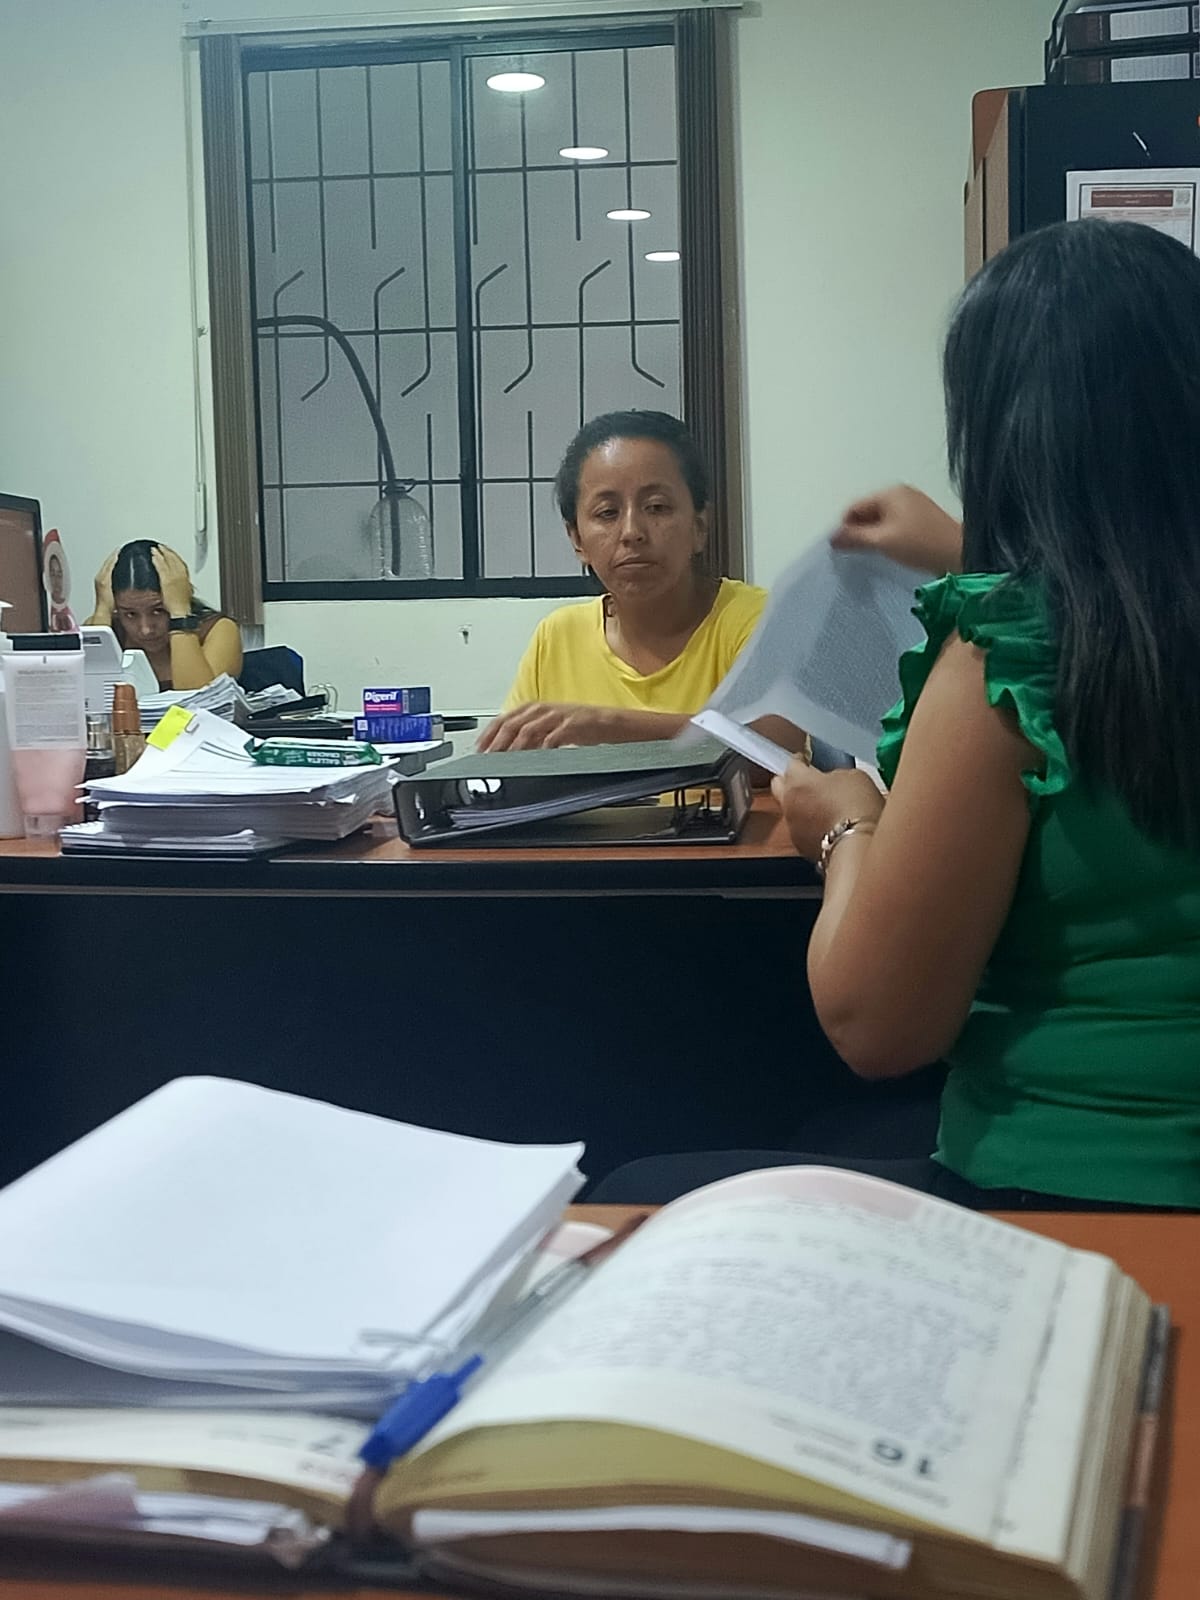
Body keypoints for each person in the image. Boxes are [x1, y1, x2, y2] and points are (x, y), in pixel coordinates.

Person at [595, 218, 1200, 1212]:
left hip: (1063, 1189)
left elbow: (876, 1024)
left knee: (636, 1189)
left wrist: (846, 827)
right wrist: (974, 550)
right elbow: (1126, 586)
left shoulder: (1003, 657)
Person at [479, 412, 777, 753]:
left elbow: (775, 744)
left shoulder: (754, 618)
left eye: (657, 507)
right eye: (608, 513)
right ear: (577, 539)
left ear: (699, 526)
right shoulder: (557, 637)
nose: (632, 532)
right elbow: (510, 762)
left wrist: (608, 724)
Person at [87, 541, 242, 691]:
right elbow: (87, 698)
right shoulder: (105, 628)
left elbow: (199, 700)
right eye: (131, 614)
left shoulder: (218, 629)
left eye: (158, 611)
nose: (146, 629)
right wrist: (102, 611)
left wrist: (180, 614)